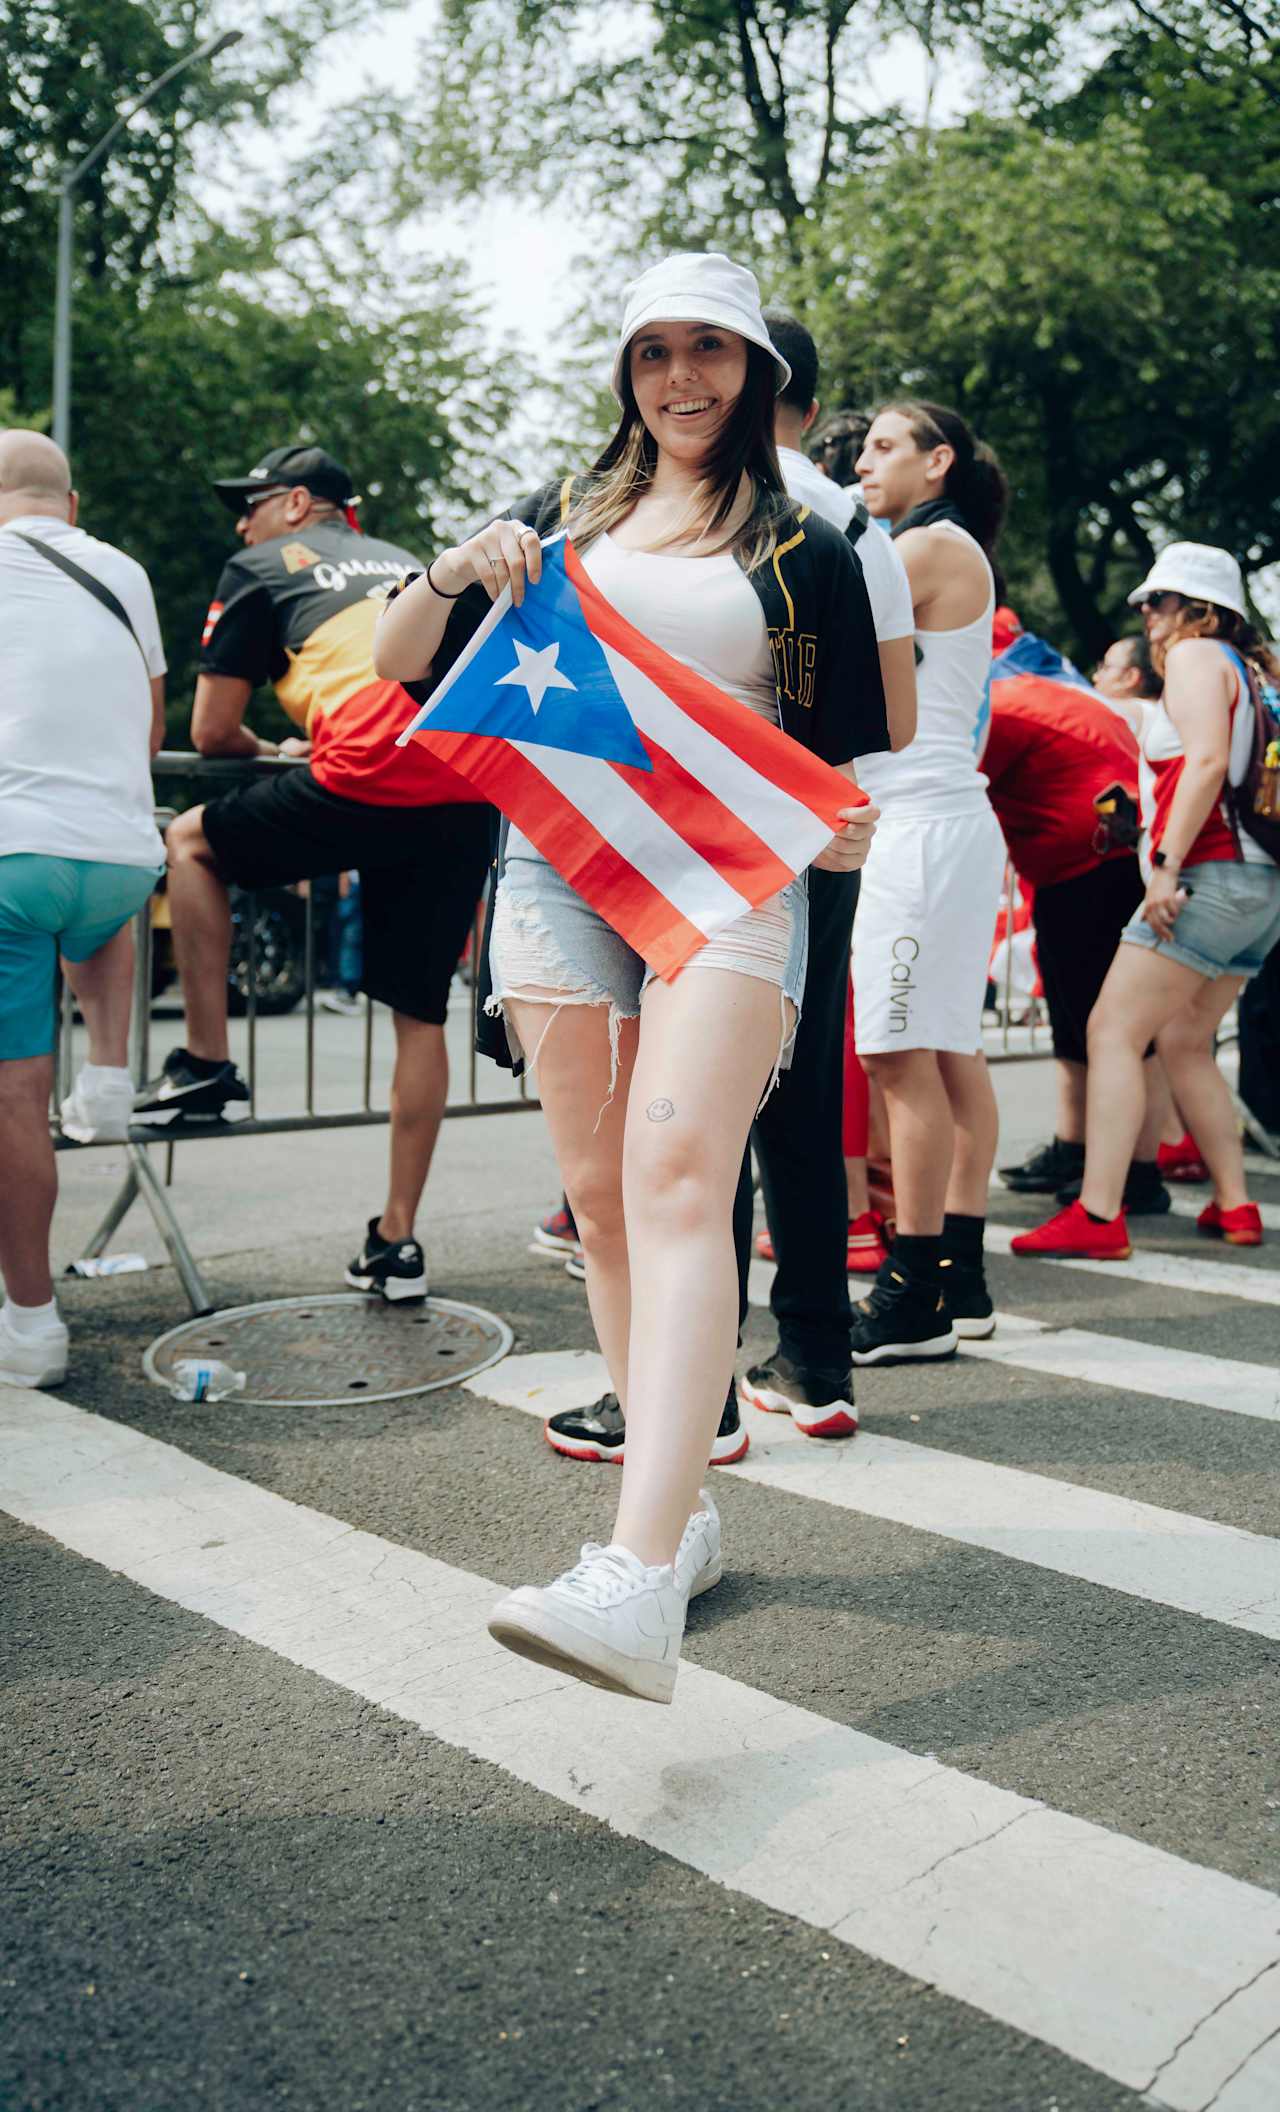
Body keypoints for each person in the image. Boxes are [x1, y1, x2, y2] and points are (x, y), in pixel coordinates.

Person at [375, 253, 894, 1701]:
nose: (682, 377)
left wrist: (843, 829)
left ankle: (636, 1569)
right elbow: (404, 664)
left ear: (757, 373)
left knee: (676, 1180)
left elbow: (839, 760)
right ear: (625, 370)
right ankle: (688, 1512)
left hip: (732, 880)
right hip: (555, 867)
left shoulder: (810, 548)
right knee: (601, 1198)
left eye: (711, 352)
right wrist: (453, 570)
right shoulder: (566, 516)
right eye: (655, 351)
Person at [132, 444, 492, 1302]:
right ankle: (396, 1241)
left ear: (297, 504)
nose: (239, 520)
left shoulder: (260, 564)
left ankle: (207, 1064)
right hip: (467, 775)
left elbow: (214, 732)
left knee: (190, 841)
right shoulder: (405, 559)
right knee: (417, 1016)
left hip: (369, 762)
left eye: (249, 501)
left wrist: (275, 749)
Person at [1014, 543, 1280, 1259]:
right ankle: (1236, 1203)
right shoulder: (1256, 671)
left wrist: (1161, 866)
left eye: (1157, 601)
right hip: (1260, 886)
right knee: (1187, 1041)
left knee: (1111, 1032)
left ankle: (1099, 1215)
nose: (1147, 616)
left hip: (1206, 875)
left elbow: (1206, 763)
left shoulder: (1199, 656)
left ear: (1197, 608)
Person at [0, 432, 166, 1385]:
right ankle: (106, 1078)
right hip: (117, 861)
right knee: (94, 908)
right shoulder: (124, 572)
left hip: (11, 853)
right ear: (69, 502)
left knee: (13, 1101)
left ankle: (32, 1326)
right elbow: (147, 724)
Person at [847, 401, 1010, 1360]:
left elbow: (820, 619)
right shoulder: (922, 546)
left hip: (921, 827)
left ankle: (912, 1295)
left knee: (899, 1056)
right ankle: (963, 1275)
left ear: (937, 461)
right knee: (945, 1052)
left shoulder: (929, 547)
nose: (864, 463)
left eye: (884, 447)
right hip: (935, 824)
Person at [987, 610, 1170, 1213]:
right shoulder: (1027, 693)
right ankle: (1077, 1148)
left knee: (1112, 1030)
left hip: (1091, 868)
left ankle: (1137, 1173)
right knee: (1077, 1023)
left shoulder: (996, 706)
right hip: (1087, 863)